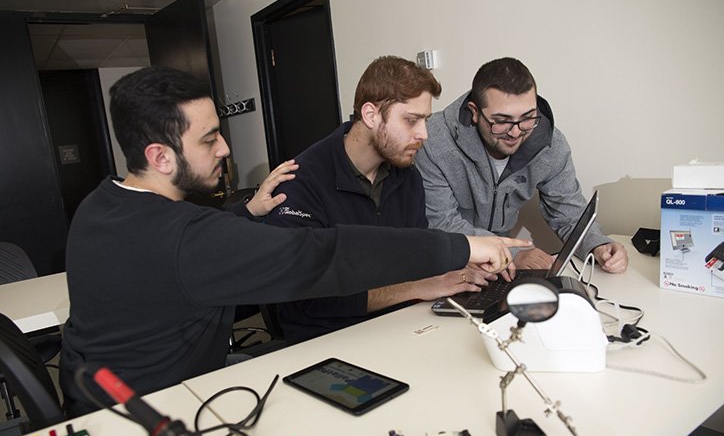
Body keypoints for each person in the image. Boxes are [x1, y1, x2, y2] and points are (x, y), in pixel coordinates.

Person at [60, 66, 530, 416]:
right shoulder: (188, 238)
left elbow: (185, 261)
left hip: (98, 394)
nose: (225, 148)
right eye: (209, 140)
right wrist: (463, 246)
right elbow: (323, 255)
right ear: (160, 157)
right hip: (146, 417)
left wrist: (242, 214)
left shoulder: (100, 206)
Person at [265, 56, 499, 345]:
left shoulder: (407, 176)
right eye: (411, 120)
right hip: (324, 342)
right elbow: (307, 302)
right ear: (371, 114)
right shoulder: (300, 183)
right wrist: (418, 287)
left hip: (398, 327)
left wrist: (454, 272)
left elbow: (415, 261)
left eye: (425, 120)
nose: (423, 134)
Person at [414, 57, 628, 274]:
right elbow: (441, 223)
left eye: (527, 118)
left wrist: (598, 245)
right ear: (475, 112)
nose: (515, 132)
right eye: (501, 121)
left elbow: (568, 210)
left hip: (500, 270)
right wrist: (512, 253)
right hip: (448, 262)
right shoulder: (432, 141)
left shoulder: (550, 144)